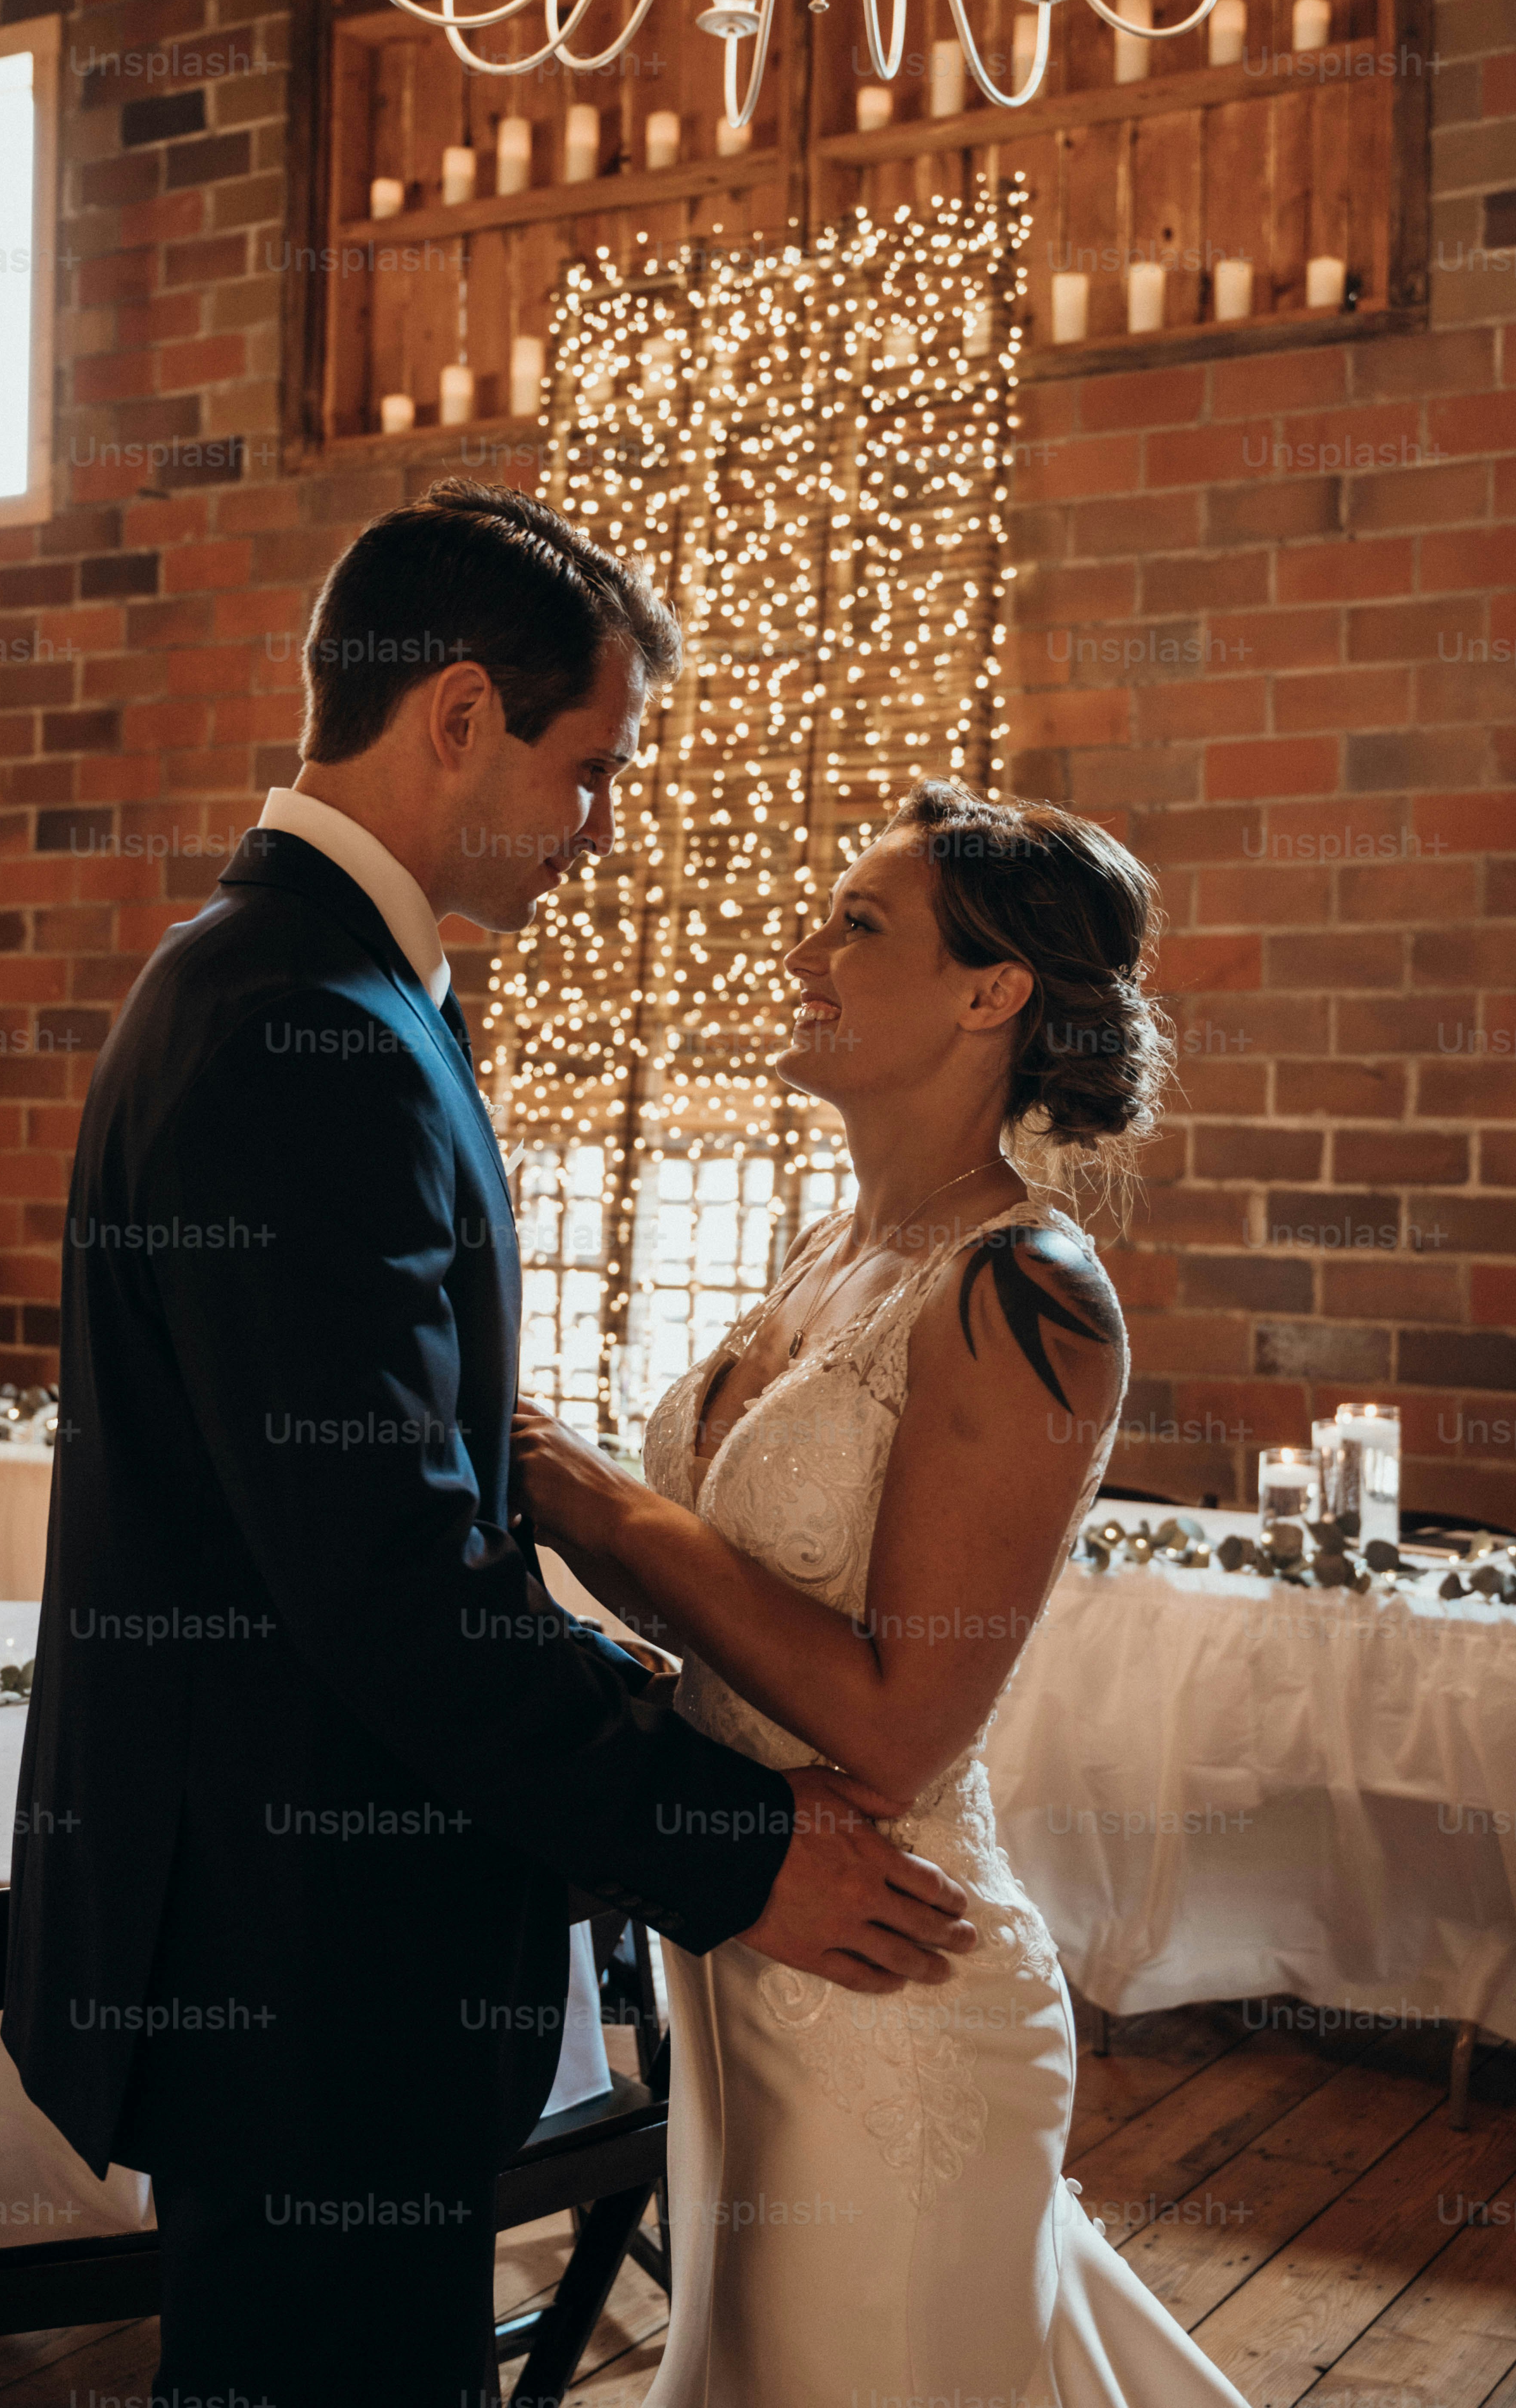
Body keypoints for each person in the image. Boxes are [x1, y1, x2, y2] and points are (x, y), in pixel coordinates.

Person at [3, 482, 977, 2408]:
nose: (600, 829)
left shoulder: (293, 981)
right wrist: (716, 1846)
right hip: (298, 1960)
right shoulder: (310, 1026)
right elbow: (385, 1581)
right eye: (588, 765)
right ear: (456, 715)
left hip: (286, 1923)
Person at [514, 781, 1254, 2407]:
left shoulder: (1029, 1289)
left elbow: (901, 1721)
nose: (805, 952)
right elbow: (740, 1637)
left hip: (891, 1983)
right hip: (741, 1945)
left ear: (993, 994)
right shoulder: (831, 1247)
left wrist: (593, 1498)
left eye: (858, 924)